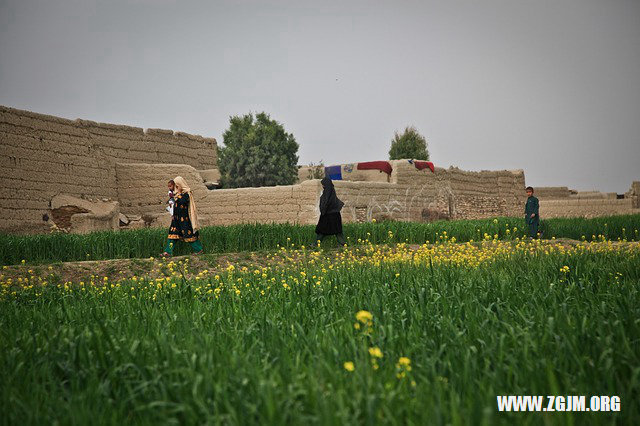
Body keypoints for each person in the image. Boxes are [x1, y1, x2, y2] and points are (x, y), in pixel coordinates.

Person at [161, 176, 203, 257]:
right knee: (172, 236)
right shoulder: (175, 195)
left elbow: (183, 201)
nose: (176, 188)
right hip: (176, 220)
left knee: (189, 236)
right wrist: (172, 214)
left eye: (177, 186)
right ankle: (168, 252)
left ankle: (198, 249)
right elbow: (174, 205)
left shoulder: (187, 194)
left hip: (184, 220)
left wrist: (179, 193)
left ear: (180, 185)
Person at [316, 177, 347, 247]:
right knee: (333, 230)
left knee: (323, 230)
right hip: (332, 214)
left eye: (323, 185)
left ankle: (342, 244)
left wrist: (323, 211)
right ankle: (342, 244)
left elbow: (326, 202)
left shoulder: (328, 192)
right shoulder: (331, 192)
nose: (323, 186)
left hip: (329, 214)